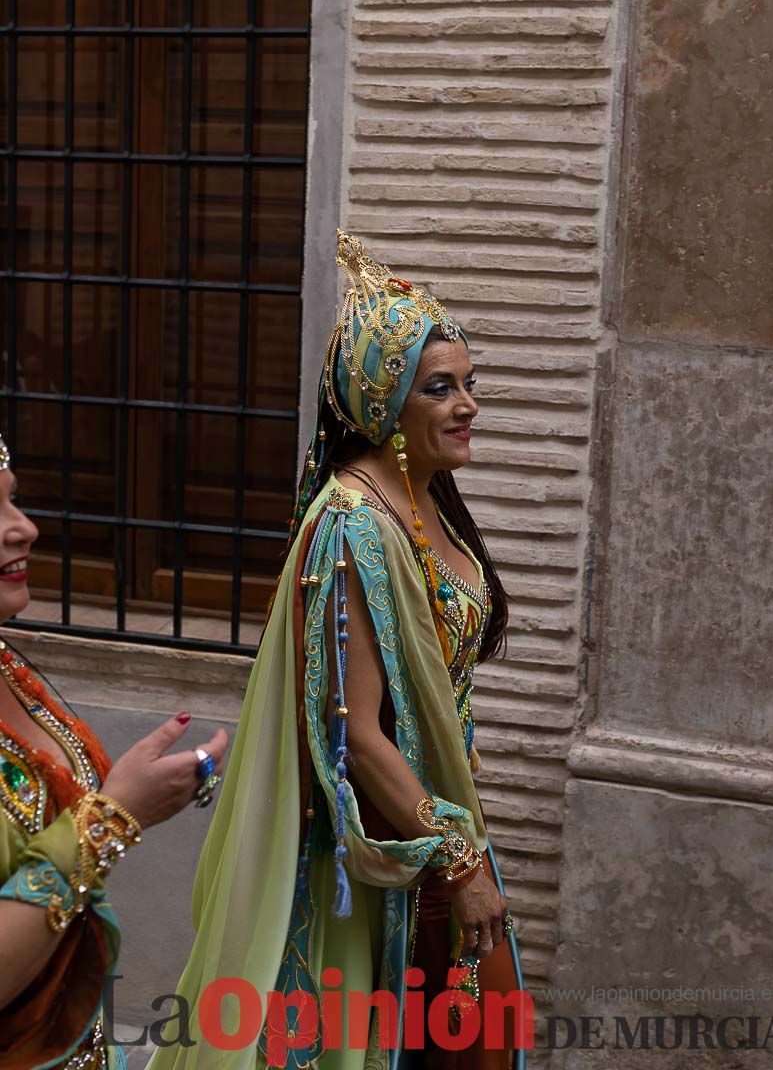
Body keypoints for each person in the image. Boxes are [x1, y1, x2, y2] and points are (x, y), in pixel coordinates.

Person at [151, 232, 525, 1069]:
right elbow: (354, 734)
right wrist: (458, 863)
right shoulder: (354, 525)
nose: (468, 404)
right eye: (441, 388)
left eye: (470, 384)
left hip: (441, 819)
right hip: (393, 849)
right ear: (381, 400)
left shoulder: (420, 501)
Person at [0, 433, 229, 1069]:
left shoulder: (8, 666)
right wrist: (113, 818)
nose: (26, 529)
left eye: (14, 501)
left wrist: (138, 796)